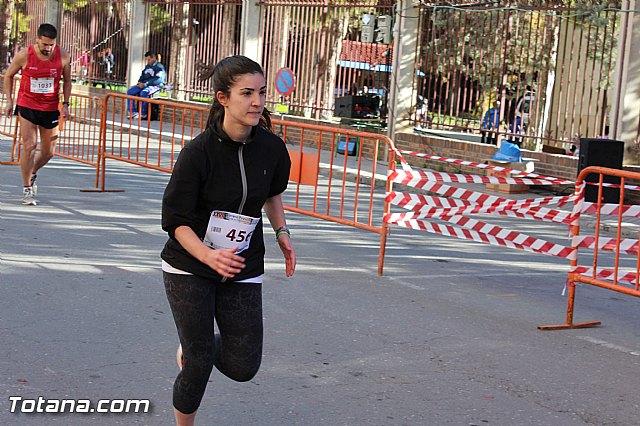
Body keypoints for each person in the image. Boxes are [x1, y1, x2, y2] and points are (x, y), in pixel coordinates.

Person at [161, 55, 296, 426]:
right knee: (200, 359)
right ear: (223, 98)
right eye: (247, 93)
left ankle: (195, 348)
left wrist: (282, 234)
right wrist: (208, 256)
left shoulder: (271, 148)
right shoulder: (198, 153)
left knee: (242, 366)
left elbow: (271, 193)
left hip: (242, 263)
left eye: (262, 93)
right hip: (189, 264)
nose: (257, 101)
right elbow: (176, 222)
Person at [2, 23, 71, 205]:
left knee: (49, 152)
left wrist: (66, 104)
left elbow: (68, 81)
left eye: (51, 45)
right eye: (45, 44)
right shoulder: (25, 55)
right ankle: (27, 189)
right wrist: (9, 101)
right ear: (37, 40)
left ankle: (32, 172)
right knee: (29, 146)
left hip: (50, 108)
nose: (48, 48)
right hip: (28, 106)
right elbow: (8, 75)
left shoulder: (63, 56)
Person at [126, 51, 165, 119]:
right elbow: (143, 75)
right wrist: (140, 82)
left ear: (154, 58)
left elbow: (158, 80)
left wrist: (146, 84)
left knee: (144, 93)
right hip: (144, 84)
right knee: (130, 92)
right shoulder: (148, 66)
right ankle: (132, 112)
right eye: (147, 60)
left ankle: (143, 113)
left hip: (154, 86)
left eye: (149, 59)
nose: (148, 61)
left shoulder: (159, 67)